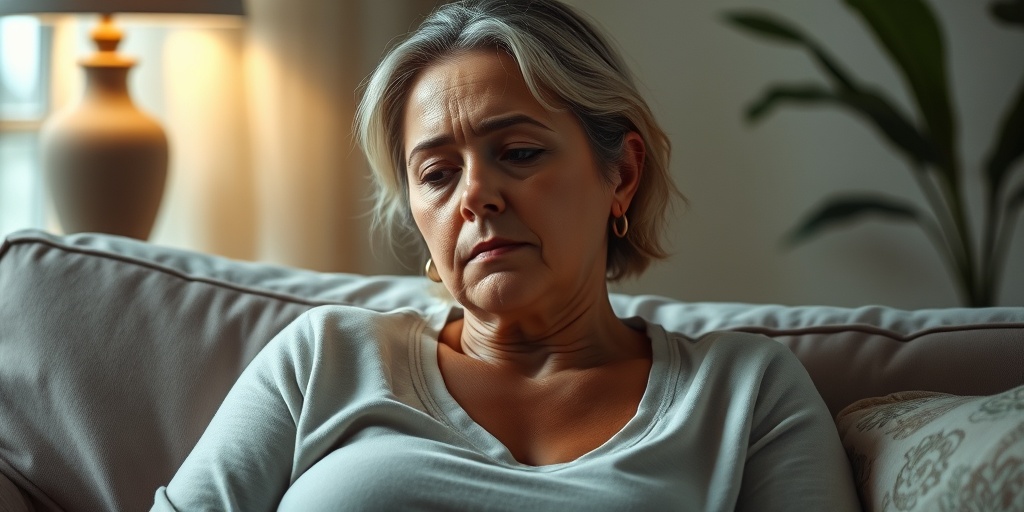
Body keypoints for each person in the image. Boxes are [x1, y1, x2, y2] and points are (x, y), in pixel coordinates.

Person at [152, 0, 860, 510]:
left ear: (622, 174)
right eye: (437, 174)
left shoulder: (745, 393)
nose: (477, 196)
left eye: (518, 153)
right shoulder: (325, 359)